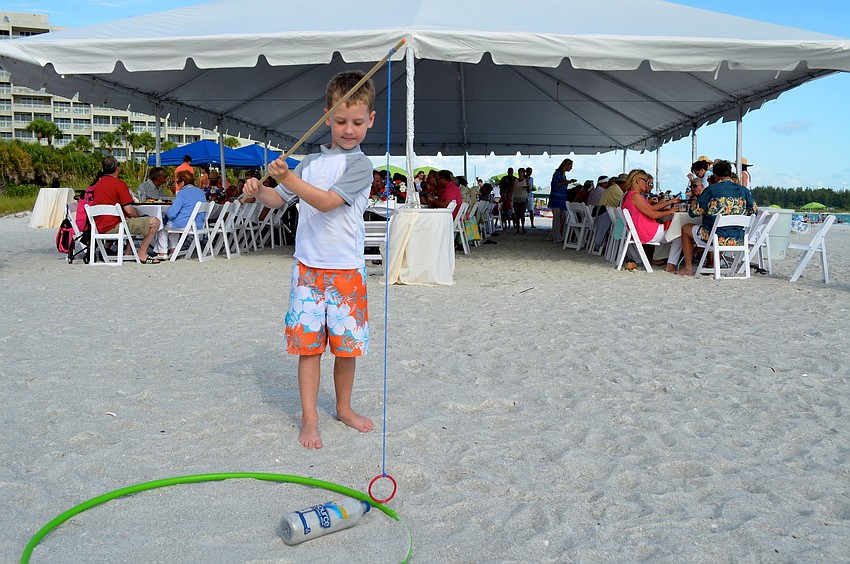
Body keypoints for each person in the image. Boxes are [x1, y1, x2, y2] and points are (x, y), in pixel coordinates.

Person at [242, 70, 375, 449]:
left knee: (346, 350)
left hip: (347, 272)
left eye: (357, 122)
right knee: (308, 348)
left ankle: (344, 408)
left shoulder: (360, 166)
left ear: (370, 120)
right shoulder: (310, 163)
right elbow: (279, 199)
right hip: (307, 272)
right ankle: (310, 417)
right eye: (340, 121)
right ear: (326, 116)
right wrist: (257, 190)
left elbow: (326, 202)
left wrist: (289, 177)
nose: (348, 130)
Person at [676, 159, 756, 276]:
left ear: (715, 175)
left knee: (686, 228)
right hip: (738, 238)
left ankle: (688, 268)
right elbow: (753, 211)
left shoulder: (711, 190)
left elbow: (693, 212)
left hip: (715, 238)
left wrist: (697, 199)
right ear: (729, 173)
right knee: (720, 228)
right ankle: (712, 264)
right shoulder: (744, 191)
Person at [91, 155, 162, 264]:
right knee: (155, 222)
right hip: (115, 227)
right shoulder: (119, 184)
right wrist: (139, 217)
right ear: (117, 168)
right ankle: (142, 253)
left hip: (99, 226)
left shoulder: (98, 185)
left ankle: (127, 252)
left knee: (130, 220)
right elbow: (129, 210)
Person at [619, 169, 681, 272]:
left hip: (640, 231)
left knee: (675, 230)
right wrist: (671, 211)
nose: (647, 184)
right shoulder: (635, 196)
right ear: (638, 181)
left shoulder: (629, 195)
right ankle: (671, 264)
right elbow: (652, 214)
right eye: (645, 181)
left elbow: (652, 208)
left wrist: (670, 202)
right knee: (680, 233)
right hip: (646, 232)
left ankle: (667, 261)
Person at [547, 159, 572, 242]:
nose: (571, 168)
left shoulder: (563, 174)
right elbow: (554, 185)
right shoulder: (557, 174)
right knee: (557, 218)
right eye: (570, 166)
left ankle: (553, 235)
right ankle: (556, 236)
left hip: (561, 199)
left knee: (561, 217)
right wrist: (565, 183)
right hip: (556, 199)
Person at [512, 168, 529, 233]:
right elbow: (512, 188)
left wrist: (527, 187)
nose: (520, 174)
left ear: (523, 173)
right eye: (519, 172)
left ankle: (522, 226)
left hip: (523, 198)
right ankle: (518, 228)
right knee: (517, 214)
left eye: (521, 172)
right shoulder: (515, 180)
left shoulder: (526, 180)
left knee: (522, 213)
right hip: (516, 198)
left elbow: (529, 190)